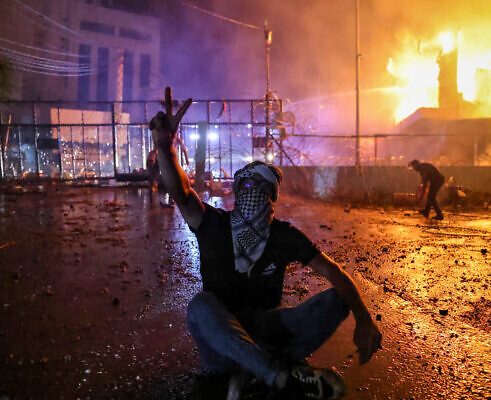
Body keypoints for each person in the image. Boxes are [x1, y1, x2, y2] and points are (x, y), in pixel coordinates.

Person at [149, 87, 382, 400]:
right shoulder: (213, 223)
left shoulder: (282, 235)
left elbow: (335, 273)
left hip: (270, 333)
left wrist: (364, 320)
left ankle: (256, 373)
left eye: (260, 185)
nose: (251, 190)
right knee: (201, 306)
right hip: (224, 344)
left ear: (272, 197)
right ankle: (279, 374)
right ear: (236, 190)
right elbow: (181, 192)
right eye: (244, 183)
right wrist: (166, 149)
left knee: (339, 299)